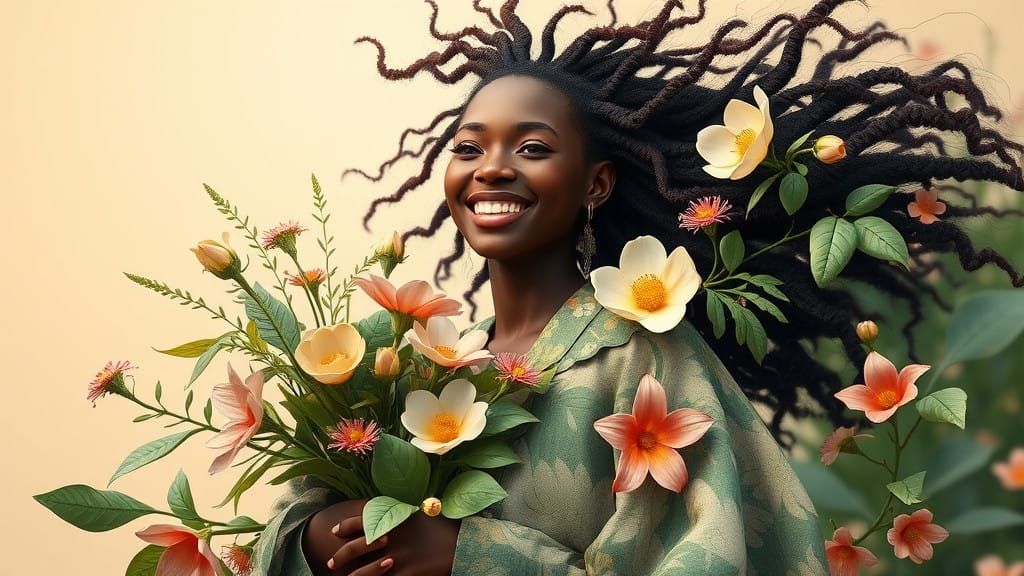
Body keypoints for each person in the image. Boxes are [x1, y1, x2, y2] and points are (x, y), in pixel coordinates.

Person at [253, 1, 1024, 574]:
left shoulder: (644, 355)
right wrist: (313, 540)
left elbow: (719, 559)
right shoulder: (412, 366)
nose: (491, 166)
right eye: (468, 145)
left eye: (531, 146)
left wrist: (473, 555)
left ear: (597, 183)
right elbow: (285, 526)